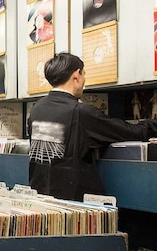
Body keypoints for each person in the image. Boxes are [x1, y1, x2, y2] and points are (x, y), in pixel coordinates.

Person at [28, 52, 157, 200]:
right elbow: (132, 132)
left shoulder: (37, 109)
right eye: (83, 74)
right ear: (76, 75)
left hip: (41, 198)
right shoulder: (81, 112)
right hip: (75, 203)